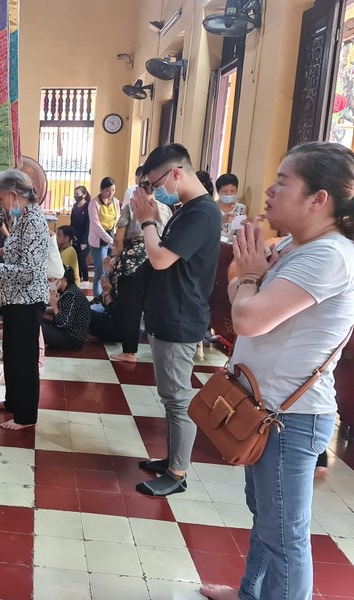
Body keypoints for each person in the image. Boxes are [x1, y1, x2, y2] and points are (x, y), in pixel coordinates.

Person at [199, 142, 354, 600]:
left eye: (284, 182)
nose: (268, 190)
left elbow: (247, 316)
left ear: (318, 199)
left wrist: (246, 280)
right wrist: (244, 282)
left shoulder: (328, 256)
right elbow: (240, 300)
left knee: (286, 535)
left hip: (292, 418)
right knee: (268, 519)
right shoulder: (292, 244)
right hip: (263, 408)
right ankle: (252, 594)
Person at [131, 143, 221, 496]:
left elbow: (161, 260)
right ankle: (171, 460)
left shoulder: (203, 213)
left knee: (179, 398)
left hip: (180, 316)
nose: (155, 191)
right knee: (170, 395)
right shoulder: (188, 210)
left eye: (156, 184)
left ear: (176, 174)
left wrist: (148, 219)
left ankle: (178, 473)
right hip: (167, 312)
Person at [0, 169, 49, 430]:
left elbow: (31, 270)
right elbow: (18, 251)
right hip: (15, 297)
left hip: (28, 299)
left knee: (25, 358)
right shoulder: (22, 217)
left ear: (12, 194)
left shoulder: (33, 220)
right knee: (13, 353)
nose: (1, 204)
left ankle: (26, 416)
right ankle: (12, 401)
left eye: (1, 199)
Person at [108, 195, 172, 363]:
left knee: (131, 307)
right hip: (159, 258)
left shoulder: (131, 207)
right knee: (155, 306)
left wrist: (118, 256)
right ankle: (161, 349)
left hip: (133, 260)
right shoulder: (166, 208)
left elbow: (119, 238)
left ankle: (129, 352)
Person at [41, 266, 91, 349]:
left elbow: (63, 324)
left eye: (51, 280)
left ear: (62, 278)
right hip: (66, 332)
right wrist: (49, 308)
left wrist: (54, 305)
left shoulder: (70, 294)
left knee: (38, 328)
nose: (49, 282)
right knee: (36, 320)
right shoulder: (67, 290)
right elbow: (63, 311)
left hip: (73, 338)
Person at [88, 177, 121, 298]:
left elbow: (118, 219)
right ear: (101, 189)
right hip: (99, 240)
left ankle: (107, 295)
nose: (110, 193)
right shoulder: (94, 203)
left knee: (110, 268)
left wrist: (116, 239)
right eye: (108, 190)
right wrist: (110, 240)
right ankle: (98, 297)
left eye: (113, 190)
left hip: (111, 237)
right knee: (100, 271)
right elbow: (96, 226)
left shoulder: (115, 202)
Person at [216, 172, 248, 240]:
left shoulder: (241, 208)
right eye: (224, 191)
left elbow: (239, 233)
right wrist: (221, 220)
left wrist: (246, 227)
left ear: (236, 191)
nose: (229, 194)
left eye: (232, 191)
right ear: (218, 192)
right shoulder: (212, 207)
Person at [70, 185, 91, 280]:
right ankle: (79, 276)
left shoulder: (88, 206)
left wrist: (84, 241)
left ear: (84, 194)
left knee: (81, 259)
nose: (75, 196)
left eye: (77, 194)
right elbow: (72, 222)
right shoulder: (75, 206)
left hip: (85, 238)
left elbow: (88, 225)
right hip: (76, 236)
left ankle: (86, 278)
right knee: (75, 258)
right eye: (74, 194)